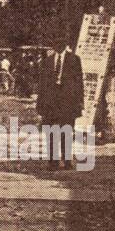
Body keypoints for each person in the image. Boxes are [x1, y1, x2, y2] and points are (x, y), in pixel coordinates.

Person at [38, 35, 83, 168]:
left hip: (68, 102)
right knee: (51, 132)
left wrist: (80, 102)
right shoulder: (47, 61)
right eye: (55, 42)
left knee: (67, 131)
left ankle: (67, 160)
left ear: (65, 44)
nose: (58, 45)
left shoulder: (74, 60)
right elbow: (42, 84)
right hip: (51, 102)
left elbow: (79, 82)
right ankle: (53, 161)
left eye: (61, 42)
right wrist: (40, 104)